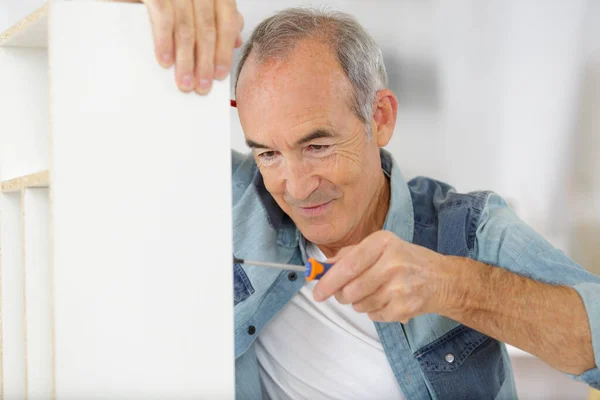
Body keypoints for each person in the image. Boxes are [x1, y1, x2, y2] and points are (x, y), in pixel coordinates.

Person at [129, 1, 600, 398]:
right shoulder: (230, 197)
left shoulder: (470, 230)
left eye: (317, 147)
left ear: (380, 117)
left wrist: (451, 286)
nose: (295, 186)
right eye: (269, 153)